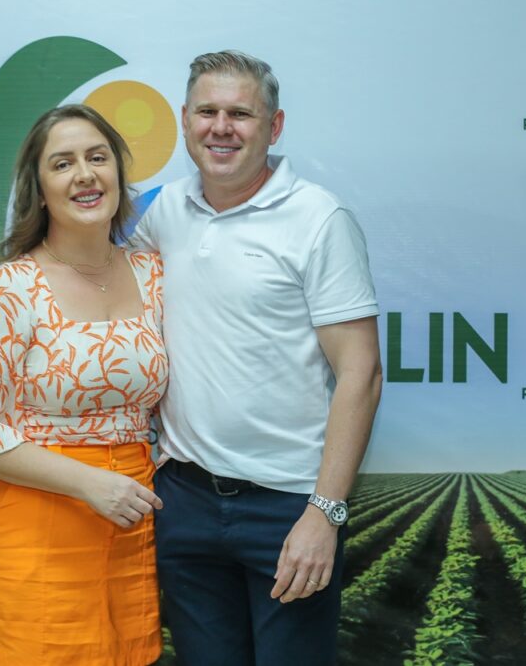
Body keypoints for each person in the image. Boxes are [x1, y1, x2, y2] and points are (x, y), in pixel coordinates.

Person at [129, 50, 382, 666]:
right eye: (207, 112)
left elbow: (362, 373)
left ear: (275, 126)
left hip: (289, 507)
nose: (222, 128)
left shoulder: (319, 219)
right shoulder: (163, 213)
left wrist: (324, 513)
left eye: (240, 114)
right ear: (184, 119)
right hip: (185, 501)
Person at [0, 104, 168, 666]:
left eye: (97, 158)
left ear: (118, 173)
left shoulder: (154, 275)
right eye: (63, 164)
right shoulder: (8, 288)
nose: (85, 175)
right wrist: (90, 483)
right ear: (39, 191)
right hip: (39, 522)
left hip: (132, 517)